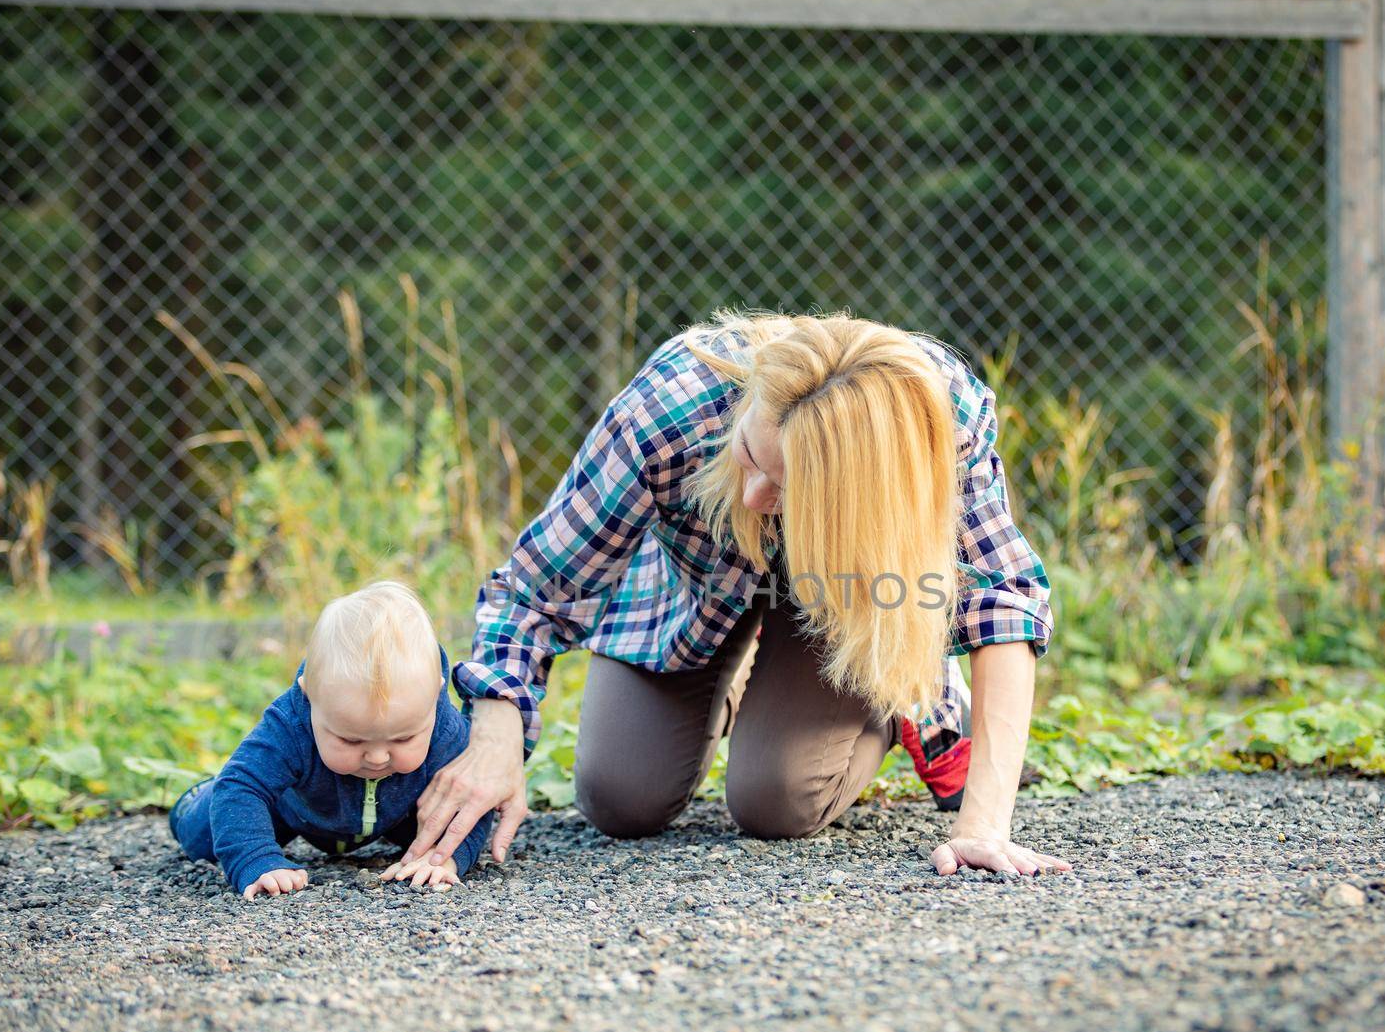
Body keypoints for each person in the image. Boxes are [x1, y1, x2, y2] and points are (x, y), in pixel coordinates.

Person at [387, 312, 1069, 883]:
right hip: (693, 593)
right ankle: (742, 676)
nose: (752, 499)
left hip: (846, 601)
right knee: (619, 796)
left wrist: (984, 823)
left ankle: (910, 696)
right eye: (751, 455)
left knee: (778, 800)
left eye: (786, 489)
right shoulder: (672, 405)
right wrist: (496, 734)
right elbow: (537, 588)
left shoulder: (940, 422)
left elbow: (1004, 599)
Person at [169, 580, 490, 898]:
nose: (378, 758)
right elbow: (243, 783)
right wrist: (258, 861)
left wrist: (445, 859)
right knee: (209, 834)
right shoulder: (290, 724)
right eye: (351, 741)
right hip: (292, 806)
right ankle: (196, 797)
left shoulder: (444, 729)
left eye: (404, 738)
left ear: (434, 694)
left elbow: (469, 793)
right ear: (311, 696)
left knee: (447, 805)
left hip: (398, 808)